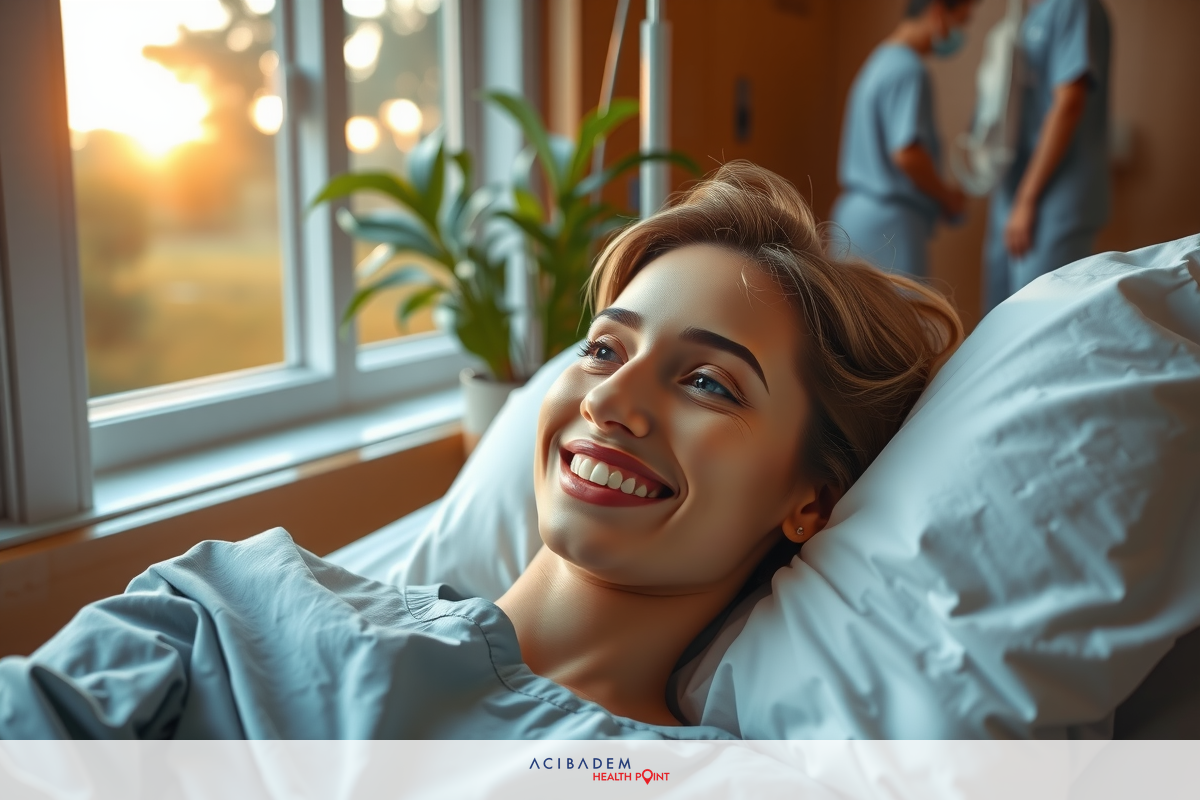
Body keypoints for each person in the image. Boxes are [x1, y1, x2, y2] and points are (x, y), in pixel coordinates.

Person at [0, 162, 962, 738]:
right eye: (602, 350)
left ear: (811, 498)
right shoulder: (240, 604)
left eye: (708, 381)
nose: (613, 401)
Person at [830, 0, 976, 278]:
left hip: (854, 219)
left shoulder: (881, 59)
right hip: (889, 227)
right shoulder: (908, 69)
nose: (961, 31)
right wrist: (946, 197)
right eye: (961, 20)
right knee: (902, 319)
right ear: (937, 13)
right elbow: (907, 154)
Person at [984, 0, 1111, 310]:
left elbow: (1069, 102)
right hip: (1016, 187)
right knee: (997, 321)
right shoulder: (1032, 14)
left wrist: (1027, 199)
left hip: (1050, 196)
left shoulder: (1072, 6)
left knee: (1034, 321)